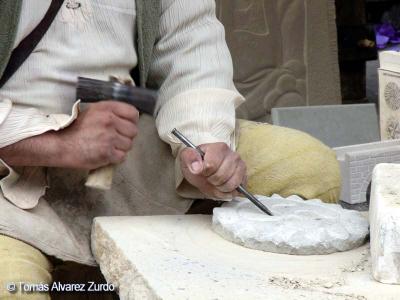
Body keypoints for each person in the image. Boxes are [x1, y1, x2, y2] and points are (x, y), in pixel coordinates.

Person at [0, 0, 340, 299]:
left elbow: (190, 41)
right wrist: (57, 142)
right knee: (12, 287)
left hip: (124, 136)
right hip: (10, 170)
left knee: (310, 167)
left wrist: (204, 139)